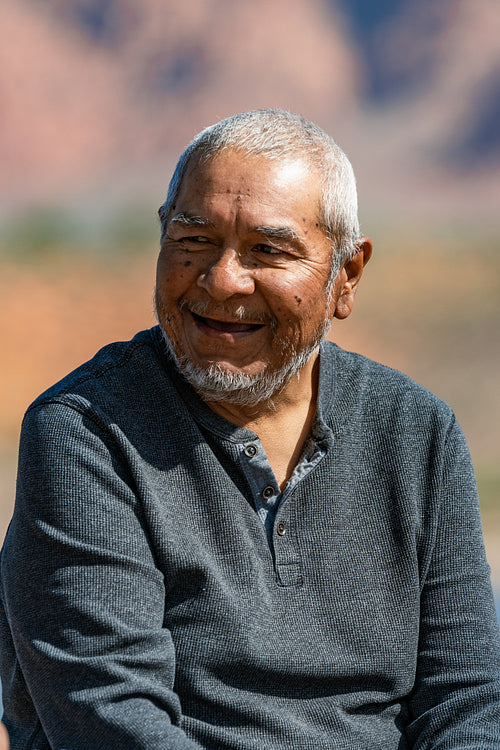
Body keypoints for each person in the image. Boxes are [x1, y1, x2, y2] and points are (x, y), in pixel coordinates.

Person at [0, 109, 499, 749]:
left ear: (346, 276)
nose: (222, 279)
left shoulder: (415, 432)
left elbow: (466, 704)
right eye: (193, 241)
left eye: (268, 250)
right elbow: (114, 717)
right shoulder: (88, 432)